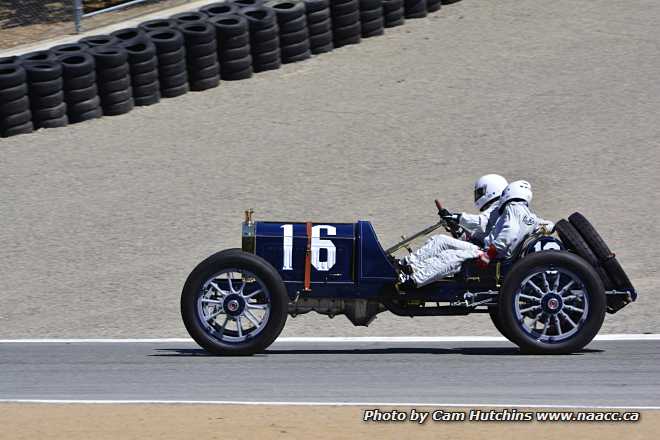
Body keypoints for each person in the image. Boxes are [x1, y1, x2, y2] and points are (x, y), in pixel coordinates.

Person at [399, 180, 553, 288]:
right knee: (441, 241)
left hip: (492, 255)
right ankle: (407, 265)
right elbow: (548, 225)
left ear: (510, 193)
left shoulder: (512, 208)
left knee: (451, 256)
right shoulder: (529, 216)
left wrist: (488, 255)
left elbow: (509, 233)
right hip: (494, 253)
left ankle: (411, 280)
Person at [439, 174, 508, 246]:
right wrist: (455, 227)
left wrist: (454, 217)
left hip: (488, 253)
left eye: (479, 192)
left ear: (493, 189)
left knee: (439, 240)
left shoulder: (498, 207)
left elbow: (480, 222)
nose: (477, 196)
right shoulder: (503, 210)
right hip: (487, 250)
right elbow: (472, 240)